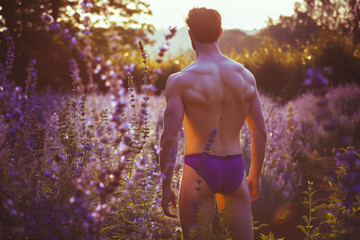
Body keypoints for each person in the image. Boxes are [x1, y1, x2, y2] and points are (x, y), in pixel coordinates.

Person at [160, 7, 267, 240]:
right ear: (220, 33)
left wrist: (165, 185)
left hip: (199, 168)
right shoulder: (246, 76)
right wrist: (256, 173)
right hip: (235, 169)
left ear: (190, 35)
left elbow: (169, 139)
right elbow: (259, 130)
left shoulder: (180, 81)